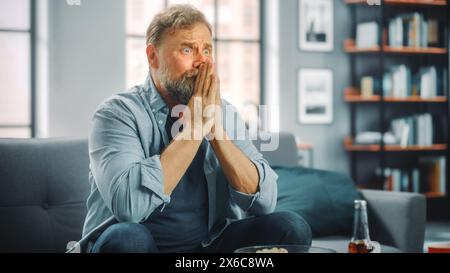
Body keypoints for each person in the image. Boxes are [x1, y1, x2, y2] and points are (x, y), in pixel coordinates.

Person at [82, 4, 312, 253]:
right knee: (129, 239)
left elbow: (265, 201)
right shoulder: (117, 113)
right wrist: (194, 129)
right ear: (152, 56)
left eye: (207, 50)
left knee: (291, 227)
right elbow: (129, 208)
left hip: (211, 246)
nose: (202, 61)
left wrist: (214, 127)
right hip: (143, 245)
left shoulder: (225, 111)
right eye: (187, 49)